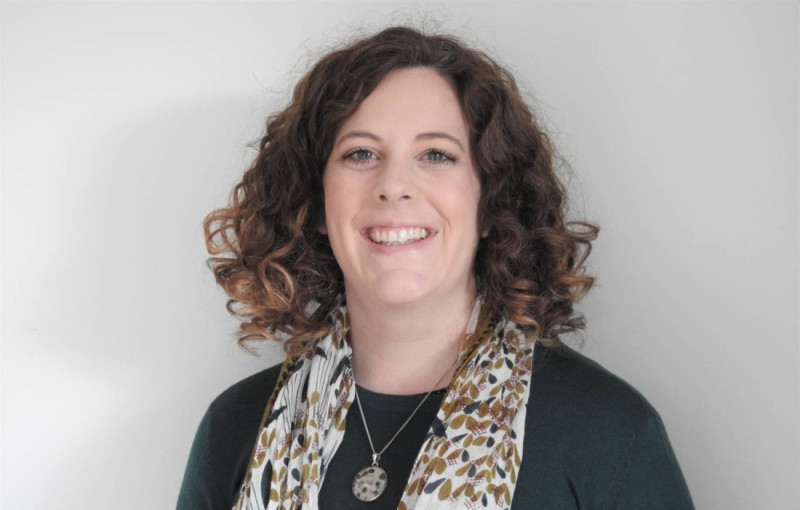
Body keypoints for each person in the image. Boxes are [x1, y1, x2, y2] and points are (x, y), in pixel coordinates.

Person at [177, 26, 694, 510]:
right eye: (360, 153)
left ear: (492, 201)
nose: (393, 184)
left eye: (437, 155)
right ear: (314, 201)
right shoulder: (237, 426)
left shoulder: (605, 432)